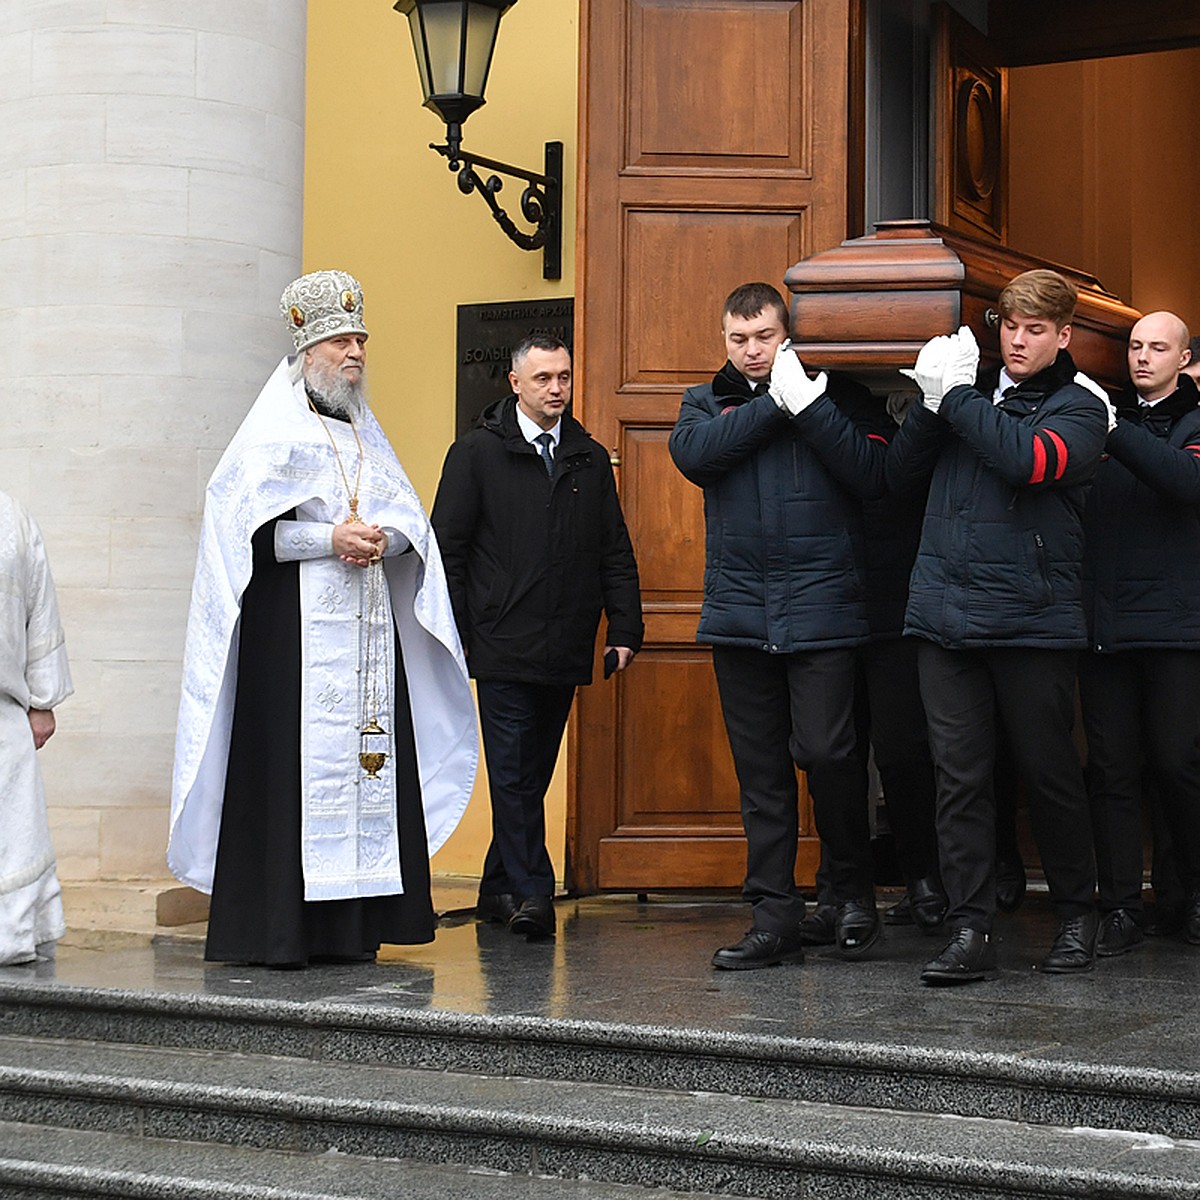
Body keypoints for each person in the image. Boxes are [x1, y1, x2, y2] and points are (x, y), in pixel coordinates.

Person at [169, 270, 477, 967]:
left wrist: (385, 540)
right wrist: (327, 539)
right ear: (308, 352)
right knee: (290, 774)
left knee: (366, 771)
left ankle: (350, 930)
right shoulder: (268, 435)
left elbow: (410, 524)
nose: (355, 352)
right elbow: (247, 539)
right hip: (292, 640)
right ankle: (280, 930)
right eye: (341, 341)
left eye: (361, 339)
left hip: (365, 633)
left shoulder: (367, 435)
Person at [889, 269, 1108, 984]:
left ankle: (1079, 914)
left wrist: (954, 398)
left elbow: (1025, 461)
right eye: (1009, 326)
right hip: (945, 618)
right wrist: (929, 403)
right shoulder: (966, 400)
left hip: (1030, 622)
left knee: (1048, 778)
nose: (1017, 340)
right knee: (959, 781)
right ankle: (969, 928)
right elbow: (898, 479)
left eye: (1035, 329)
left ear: (1063, 336)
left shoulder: (1080, 410)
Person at [669, 282, 887, 970]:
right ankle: (773, 917)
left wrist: (810, 402)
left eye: (763, 337)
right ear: (724, 340)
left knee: (829, 755)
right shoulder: (707, 401)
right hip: (739, 618)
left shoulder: (841, 395)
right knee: (761, 776)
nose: (752, 350)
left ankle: (849, 894)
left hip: (826, 611)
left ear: (786, 334)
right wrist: (774, 403)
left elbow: (871, 472)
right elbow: (694, 456)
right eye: (739, 339)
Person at [431, 334, 643, 940]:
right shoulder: (474, 454)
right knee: (513, 773)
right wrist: (459, 631)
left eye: (565, 377)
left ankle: (498, 886)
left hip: (566, 640)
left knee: (531, 771)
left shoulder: (588, 457)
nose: (557, 389)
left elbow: (614, 549)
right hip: (499, 641)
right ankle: (533, 892)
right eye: (545, 378)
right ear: (515, 383)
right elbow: (448, 548)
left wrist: (625, 626)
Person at [1080, 311, 1200, 955]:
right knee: (1111, 771)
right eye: (1134, 346)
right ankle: (1122, 904)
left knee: (1178, 764)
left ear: (1183, 359)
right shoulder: (1107, 417)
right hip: (1105, 624)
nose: (1142, 357)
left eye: (1158, 348)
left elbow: (1186, 482)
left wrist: (1113, 428)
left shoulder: (1192, 418)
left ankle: (1189, 891)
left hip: (1177, 625)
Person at [0, 492, 73, 967]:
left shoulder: (11, 515)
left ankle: (11, 934)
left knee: (13, 829)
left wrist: (42, 700)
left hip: (2, 711)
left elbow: (38, 604)